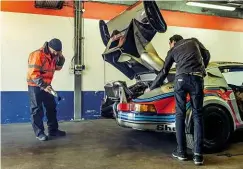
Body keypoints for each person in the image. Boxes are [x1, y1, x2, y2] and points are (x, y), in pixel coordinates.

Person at [145, 35, 210, 165]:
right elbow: (206, 54)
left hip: (180, 80)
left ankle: (181, 152)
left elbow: (164, 71)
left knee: (179, 115)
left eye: (169, 44)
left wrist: (151, 87)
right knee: (198, 115)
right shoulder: (194, 41)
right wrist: (202, 69)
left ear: (173, 42)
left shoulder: (173, 50)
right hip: (196, 79)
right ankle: (198, 155)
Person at [27, 38, 66, 141]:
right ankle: (39, 133)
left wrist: (61, 57)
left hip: (47, 85)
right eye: (55, 51)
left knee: (51, 107)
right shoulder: (37, 55)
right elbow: (33, 73)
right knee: (36, 110)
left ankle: (53, 130)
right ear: (49, 47)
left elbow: (58, 67)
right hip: (35, 85)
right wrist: (43, 86)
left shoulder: (53, 55)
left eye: (58, 52)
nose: (56, 53)